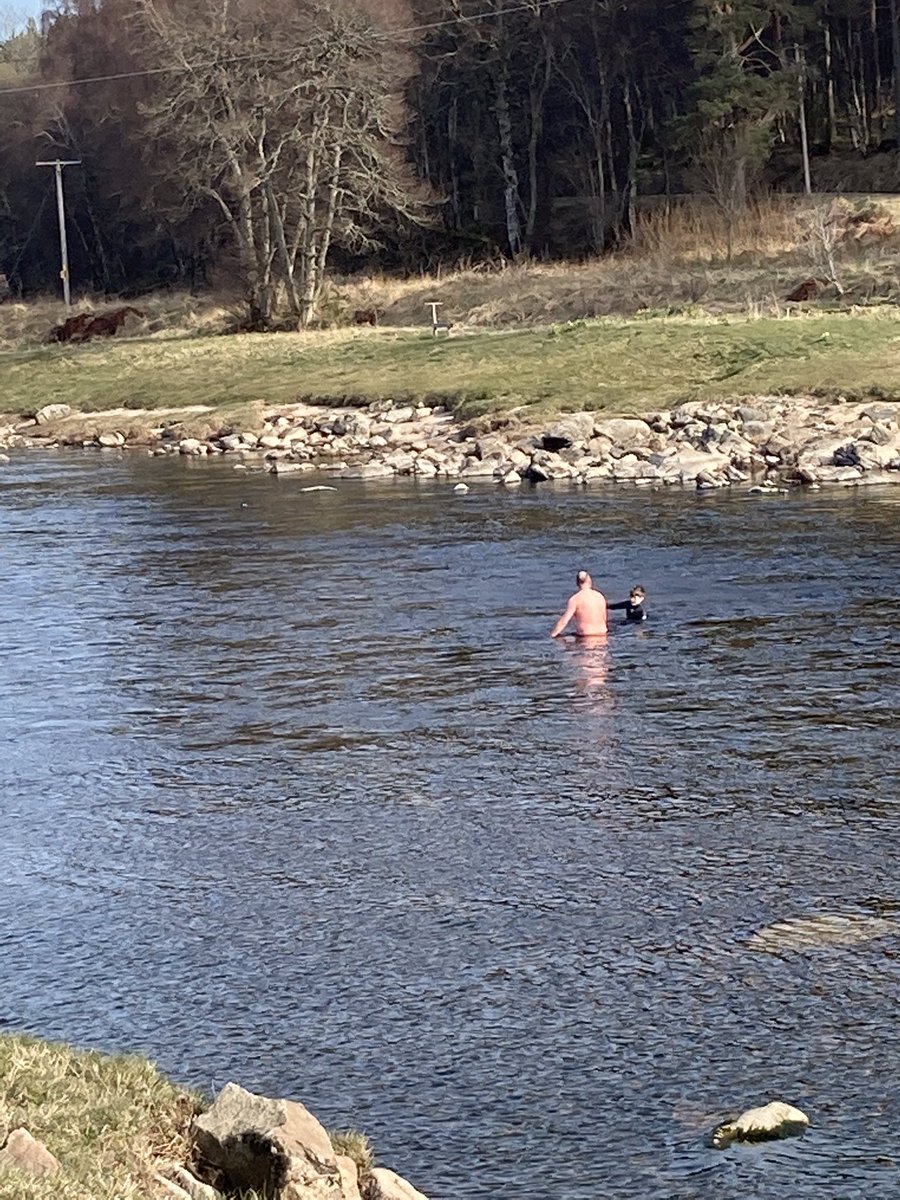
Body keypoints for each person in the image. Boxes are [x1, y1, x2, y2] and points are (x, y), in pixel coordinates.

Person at [550, 570, 608, 637]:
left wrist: (553, 635)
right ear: (589, 581)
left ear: (577, 583)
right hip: (603, 635)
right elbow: (604, 618)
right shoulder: (600, 596)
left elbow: (564, 621)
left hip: (586, 637)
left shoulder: (575, 599)